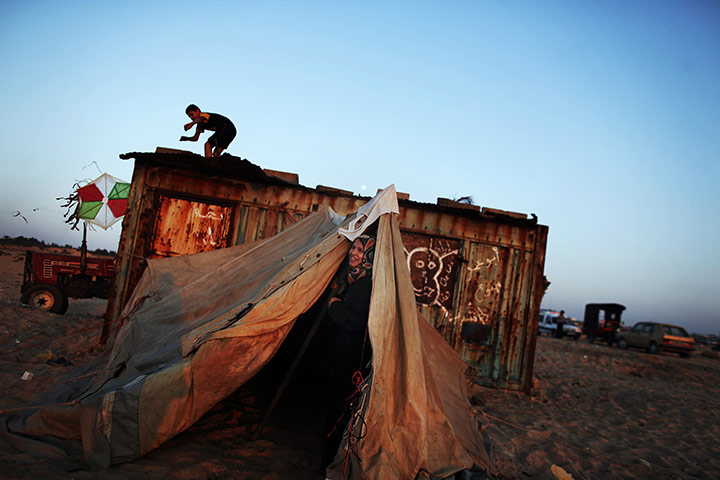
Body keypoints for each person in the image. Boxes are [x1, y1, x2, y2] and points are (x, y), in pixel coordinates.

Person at [321, 234, 375, 469]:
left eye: (361, 251)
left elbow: (356, 321)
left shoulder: (366, 285)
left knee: (341, 411)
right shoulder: (356, 281)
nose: (354, 253)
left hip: (352, 360)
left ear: (369, 257)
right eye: (353, 248)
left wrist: (335, 306)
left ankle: (330, 463)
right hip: (343, 355)